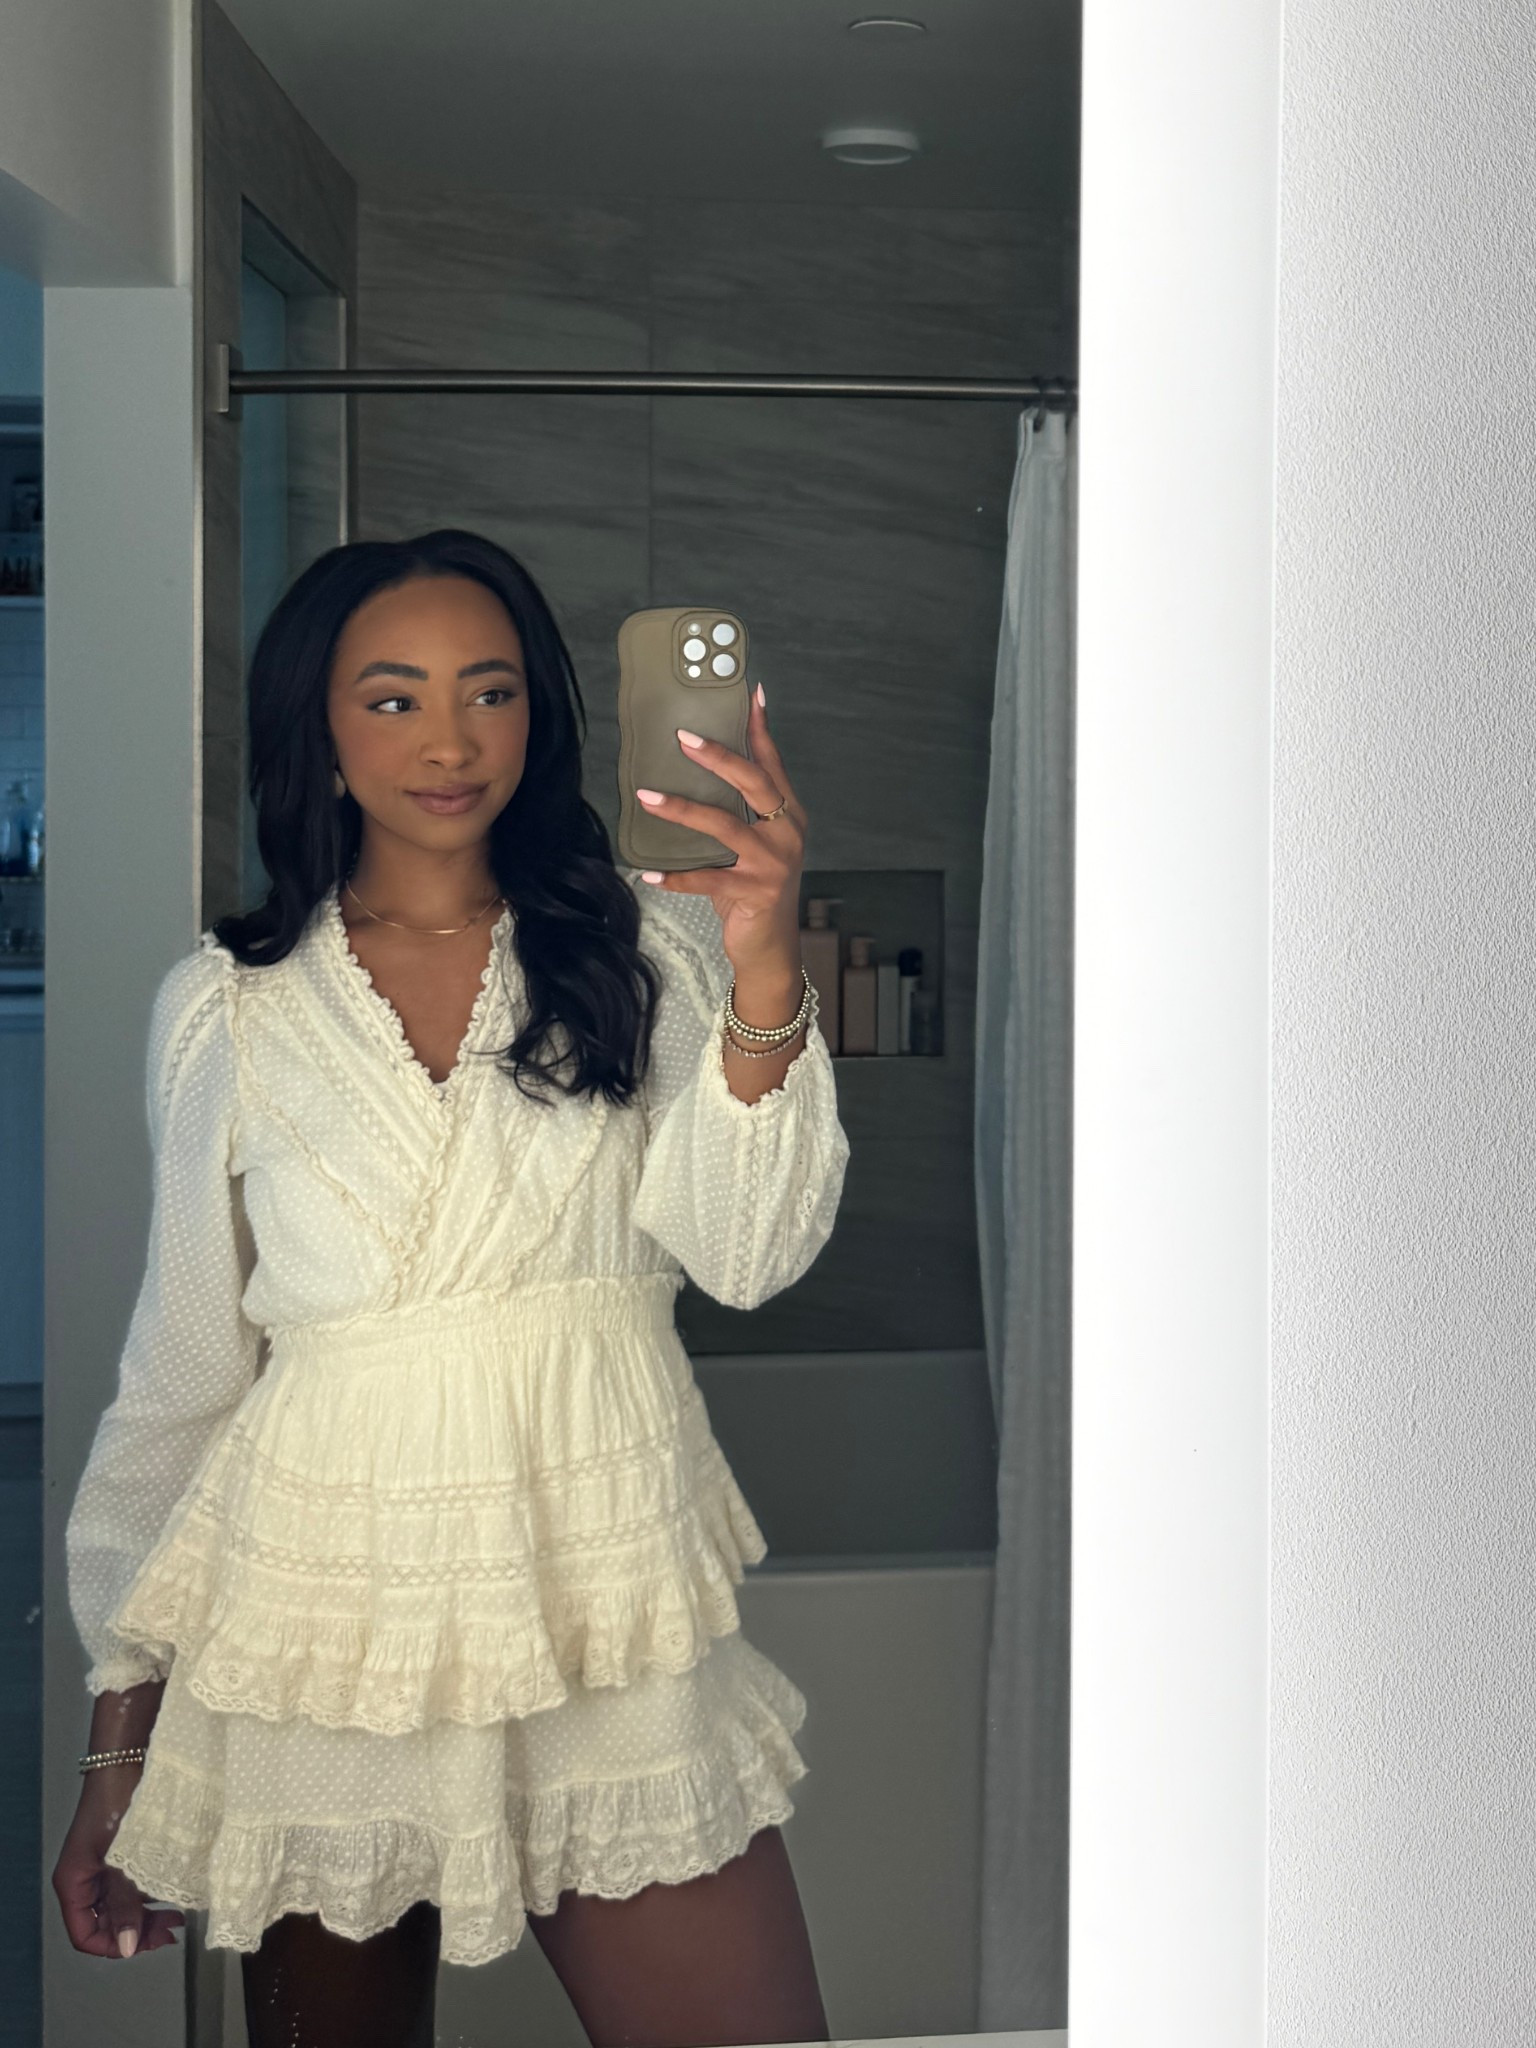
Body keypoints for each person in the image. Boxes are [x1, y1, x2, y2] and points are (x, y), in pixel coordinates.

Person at [50, 530, 850, 2048]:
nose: (450, 741)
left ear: (538, 714)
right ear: (319, 727)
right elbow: (182, 1390)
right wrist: (116, 1754)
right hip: (322, 1640)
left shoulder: (654, 948)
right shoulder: (231, 1007)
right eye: (394, 698)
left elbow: (749, 1256)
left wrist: (763, 963)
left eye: (489, 692)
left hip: (603, 1617)